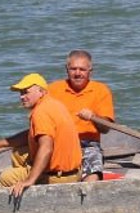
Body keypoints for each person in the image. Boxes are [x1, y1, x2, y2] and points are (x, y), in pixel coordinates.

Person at [0, 73, 83, 199]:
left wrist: (29, 180)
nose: (22, 97)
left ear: (41, 91)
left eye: (26, 92)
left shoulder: (41, 113)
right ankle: (30, 175)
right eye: (21, 93)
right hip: (75, 172)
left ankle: (20, 204)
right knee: (18, 154)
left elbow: (46, 148)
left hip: (59, 178)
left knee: (6, 178)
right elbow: (31, 134)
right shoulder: (54, 104)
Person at [46, 50, 115, 181]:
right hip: (59, 143)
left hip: (88, 144)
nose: (77, 73)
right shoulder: (52, 90)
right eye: (73, 69)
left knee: (93, 173)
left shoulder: (101, 90)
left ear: (90, 71)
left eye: (82, 69)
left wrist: (93, 117)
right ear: (67, 70)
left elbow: (106, 128)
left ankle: (89, 191)